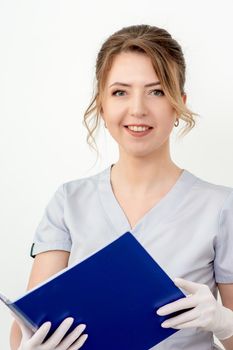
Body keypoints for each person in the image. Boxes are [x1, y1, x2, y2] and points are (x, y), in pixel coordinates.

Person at [10, 24, 233, 350]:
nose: (138, 109)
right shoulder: (69, 201)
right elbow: (26, 325)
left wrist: (224, 322)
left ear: (178, 104)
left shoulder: (220, 207)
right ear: (101, 103)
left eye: (156, 91)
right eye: (120, 92)